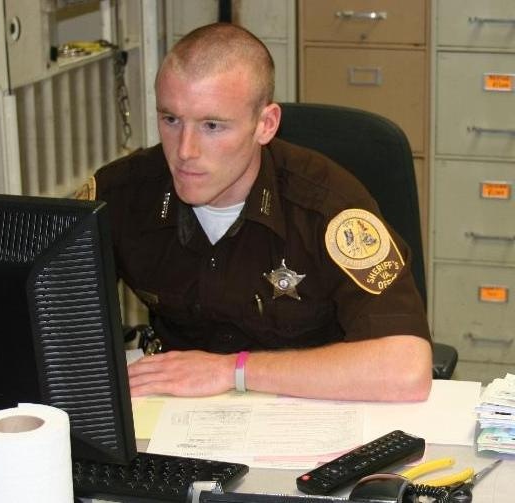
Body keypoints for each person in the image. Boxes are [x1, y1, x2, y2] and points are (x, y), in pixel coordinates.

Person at [76, 22, 432, 402]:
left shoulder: (329, 208)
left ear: (265, 124)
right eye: (171, 120)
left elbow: (407, 369)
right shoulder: (120, 196)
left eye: (212, 125)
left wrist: (232, 370)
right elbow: (46, 321)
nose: (185, 151)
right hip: (173, 421)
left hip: (308, 414)